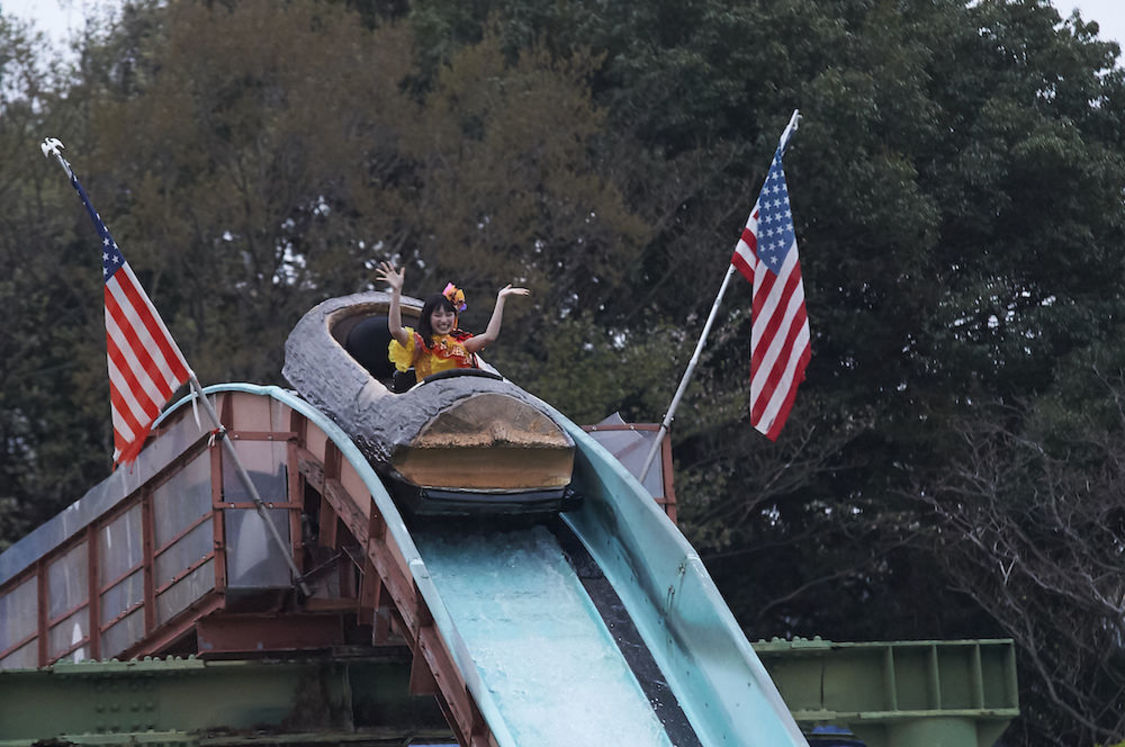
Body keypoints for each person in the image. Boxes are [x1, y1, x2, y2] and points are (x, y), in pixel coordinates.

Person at [376, 261, 530, 382]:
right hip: (431, 407)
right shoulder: (420, 344)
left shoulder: (463, 345)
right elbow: (396, 329)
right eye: (438, 315)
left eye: (448, 314)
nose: (444, 320)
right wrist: (396, 291)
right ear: (428, 318)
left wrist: (501, 298)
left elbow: (489, 336)